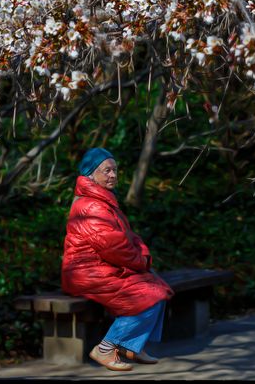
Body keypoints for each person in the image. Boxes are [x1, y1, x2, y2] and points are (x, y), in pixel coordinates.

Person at [61, 147, 173, 371]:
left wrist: (142, 255)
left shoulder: (103, 201)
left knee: (158, 287)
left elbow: (129, 237)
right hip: (87, 273)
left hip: (102, 268)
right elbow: (115, 248)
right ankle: (104, 348)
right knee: (150, 295)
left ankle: (132, 346)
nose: (113, 175)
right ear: (91, 174)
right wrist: (141, 261)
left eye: (115, 170)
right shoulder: (91, 205)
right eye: (106, 170)